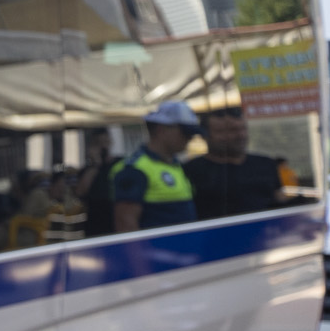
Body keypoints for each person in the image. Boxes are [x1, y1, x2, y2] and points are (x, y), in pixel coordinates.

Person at [108, 100, 201, 233]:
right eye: (185, 132)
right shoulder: (135, 169)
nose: (189, 138)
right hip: (157, 252)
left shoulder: (174, 164)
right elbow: (126, 226)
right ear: (161, 130)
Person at [189, 104, 293, 220]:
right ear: (205, 135)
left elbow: (279, 200)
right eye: (230, 130)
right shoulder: (191, 171)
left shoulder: (265, 164)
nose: (240, 135)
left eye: (243, 128)